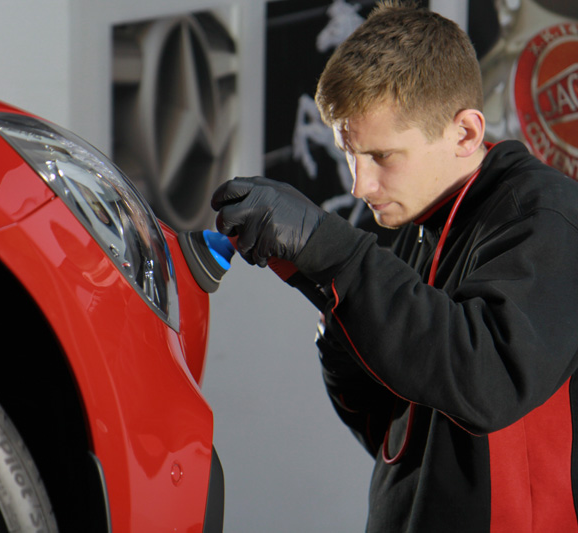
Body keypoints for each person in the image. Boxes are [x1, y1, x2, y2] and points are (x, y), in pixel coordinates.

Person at [211, 1, 578, 532]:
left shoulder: (548, 217)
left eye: (382, 157)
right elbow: (392, 427)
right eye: (349, 154)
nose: (360, 186)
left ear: (465, 134)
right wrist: (323, 289)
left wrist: (333, 251)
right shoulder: (418, 232)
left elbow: (485, 379)